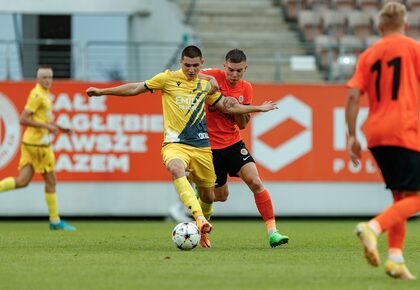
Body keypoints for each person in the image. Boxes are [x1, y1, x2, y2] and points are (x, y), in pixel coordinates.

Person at [86, 45, 278, 248]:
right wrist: (102, 91)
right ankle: (200, 219)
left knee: (213, 196)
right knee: (177, 168)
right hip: (178, 143)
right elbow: (135, 88)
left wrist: (257, 108)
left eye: (195, 66)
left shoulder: (212, 87)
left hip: (206, 147)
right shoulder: (168, 78)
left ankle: (205, 223)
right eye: (187, 65)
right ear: (181, 63)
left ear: (201, 64)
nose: (191, 70)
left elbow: (228, 108)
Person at [346, 1, 420, 280]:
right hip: (404, 130)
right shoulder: (414, 49)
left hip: (375, 132)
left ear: (379, 27)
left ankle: (396, 260)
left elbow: (353, 96)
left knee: (402, 197)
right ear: (406, 25)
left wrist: (352, 135)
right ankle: (373, 228)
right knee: (416, 198)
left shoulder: (368, 55)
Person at [193, 48, 289, 248]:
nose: (234, 75)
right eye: (231, 70)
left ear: (245, 68)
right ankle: (200, 218)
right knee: (220, 196)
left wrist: (238, 109)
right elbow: (188, 74)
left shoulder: (246, 88)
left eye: (239, 71)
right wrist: (209, 83)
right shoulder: (212, 76)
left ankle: (273, 232)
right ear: (224, 66)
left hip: (233, 143)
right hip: (210, 148)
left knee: (255, 181)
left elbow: (243, 125)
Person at [0, 65, 76, 231]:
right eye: (44, 77)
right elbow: (23, 119)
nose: (47, 80)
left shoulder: (45, 94)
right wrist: (47, 127)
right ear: (37, 79)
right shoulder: (37, 95)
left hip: (31, 143)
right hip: (38, 145)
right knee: (51, 180)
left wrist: (60, 128)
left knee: (22, 181)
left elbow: (43, 119)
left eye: (50, 77)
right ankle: (55, 221)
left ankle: (54, 221)